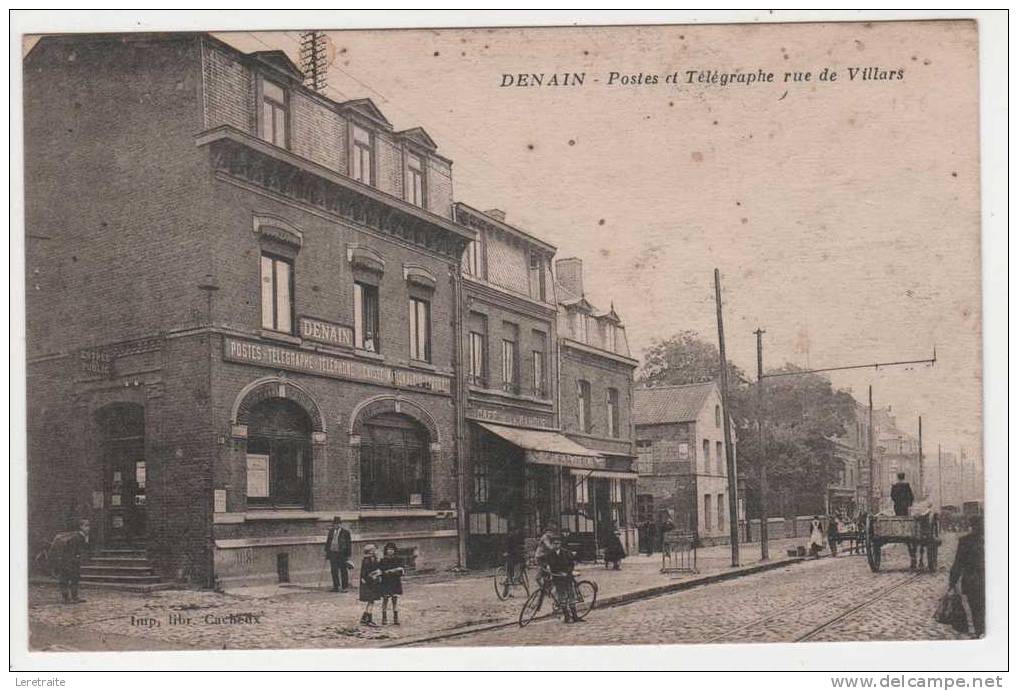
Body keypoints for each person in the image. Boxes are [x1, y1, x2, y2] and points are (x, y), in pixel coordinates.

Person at [948, 513, 984, 637]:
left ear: (971, 526)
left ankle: (979, 632)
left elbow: (958, 564)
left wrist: (952, 583)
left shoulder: (965, 541)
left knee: (976, 609)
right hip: (990, 581)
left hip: (972, 581)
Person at [49, 519, 90, 604]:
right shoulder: (77, 537)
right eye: (86, 526)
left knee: (72, 578)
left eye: (88, 526)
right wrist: (76, 559)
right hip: (70, 561)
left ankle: (71, 597)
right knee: (68, 579)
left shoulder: (81, 536)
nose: (88, 528)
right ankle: (68, 598)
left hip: (69, 561)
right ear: (81, 527)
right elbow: (73, 550)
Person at [545, 534, 582, 624]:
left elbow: (571, 564)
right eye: (554, 544)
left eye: (558, 543)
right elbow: (549, 565)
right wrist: (554, 571)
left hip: (567, 576)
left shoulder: (566, 552)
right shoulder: (550, 554)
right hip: (558, 578)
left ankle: (575, 616)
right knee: (562, 596)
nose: (556, 545)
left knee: (571, 595)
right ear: (552, 544)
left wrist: (567, 572)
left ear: (560, 544)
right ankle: (567, 616)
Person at [890, 472, 917, 567]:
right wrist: (909, 503)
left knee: (898, 517)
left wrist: (897, 501)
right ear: (904, 477)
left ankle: (898, 529)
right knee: (906, 519)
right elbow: (911, 497)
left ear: (898, 477)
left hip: (897, 507)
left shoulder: (894, 486)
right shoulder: (906, 485)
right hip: (905, 507)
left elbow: (892, 496)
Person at [378, 542, 405, 626]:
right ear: (386, 551)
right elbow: (381, 572)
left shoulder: (398, 560)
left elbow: (401, 571)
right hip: (386, 582)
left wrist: (393, 571)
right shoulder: (382, 560)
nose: (390, 551)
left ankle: (395, 618)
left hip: (395, 582)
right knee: (385, 600)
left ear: (394, 551)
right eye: (389, 549)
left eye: (392, 550)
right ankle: (384, 617)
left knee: (394, 599)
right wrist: (388, 572)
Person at [324, 516, 352, 592]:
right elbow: (328, 542)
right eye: (335, 524)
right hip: (333, 553)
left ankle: (344, 587)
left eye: (338, 524)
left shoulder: (345, 532)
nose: (336, 525)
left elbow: (349, 544)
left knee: (343, 570)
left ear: (340, 524)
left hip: (342, 554)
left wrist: (348, 555)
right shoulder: (331, 532)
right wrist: (327, 552)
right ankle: (336, 586)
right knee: (334, 570)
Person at [358, 544, 382, 627]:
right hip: (369, 584)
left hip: (371, 583)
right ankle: (369, 619)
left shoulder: (373, 559)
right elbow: (365, 574)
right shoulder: (367, 560)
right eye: (374, 550)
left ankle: (364, 618)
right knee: (371, 601)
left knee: (371, 601)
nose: (376, 551)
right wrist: (375, 574)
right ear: (371, 551)